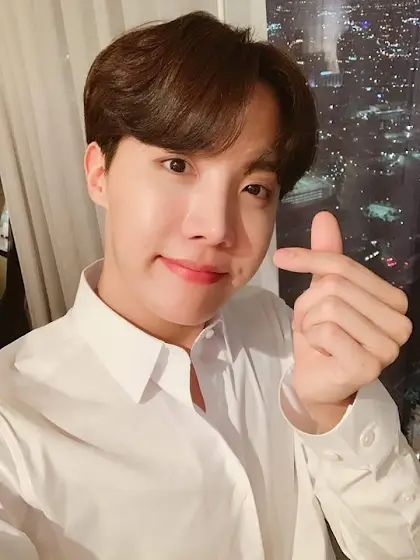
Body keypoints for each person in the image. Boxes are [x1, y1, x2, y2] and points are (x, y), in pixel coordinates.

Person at [0, 11, 417, 560]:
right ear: (99, 173)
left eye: (253, 188)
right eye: (177, 165)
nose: (217, 228)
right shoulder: (14, 424)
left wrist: (332, 411)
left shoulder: (282, 332)